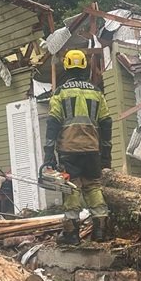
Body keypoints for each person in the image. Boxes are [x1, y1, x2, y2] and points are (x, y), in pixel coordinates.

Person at [43, 49, 112, 245]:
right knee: (93, 186)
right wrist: (106, 154)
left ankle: (71, 234)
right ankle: (100, 231)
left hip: (69, 150)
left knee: (71, 188)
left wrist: (49, 154)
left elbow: (53, 124)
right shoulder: (96, 92)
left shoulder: (60, 93)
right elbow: (106, 123)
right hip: (92, 150)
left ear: (66, 66)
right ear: (84, 66)